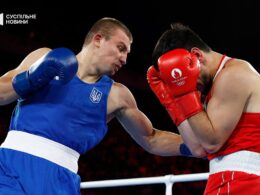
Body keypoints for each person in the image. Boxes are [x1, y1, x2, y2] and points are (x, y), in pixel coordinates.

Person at [0, 18, 204, 195]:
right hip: (10, 167)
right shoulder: (43, 57)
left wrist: (197, 145)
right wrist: (31, 77)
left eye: (127, 53)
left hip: (60, 179)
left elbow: (151, 138)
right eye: (121, 48)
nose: (124, 59)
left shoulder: (117, 95)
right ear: (98, 39)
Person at [147, 22, 260, 194]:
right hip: (227, 179)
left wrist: (183, 94)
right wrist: (171, 99)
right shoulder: (211, 87)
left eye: (179, 75)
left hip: (244, 182)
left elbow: (211, 142)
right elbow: (198, 148)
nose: (189, 85)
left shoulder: (233, 74)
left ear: (197, 55)